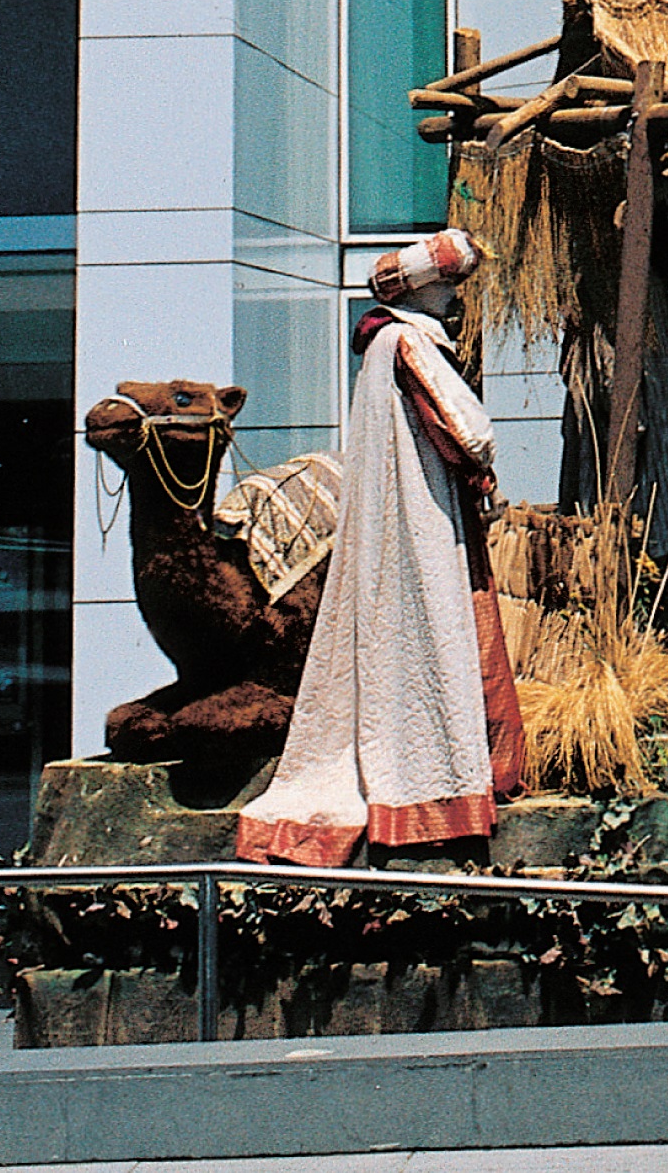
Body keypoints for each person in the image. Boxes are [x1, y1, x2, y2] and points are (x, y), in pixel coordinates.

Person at [238, 228, 525, 866]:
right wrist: (481, 462)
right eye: (448, 287)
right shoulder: (408, 341)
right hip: (419, 519)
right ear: (423, 290)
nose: (454, 299)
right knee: (439, 635)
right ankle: (436, 791)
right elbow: (469, 431)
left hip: (401, 513)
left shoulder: (380, 345)